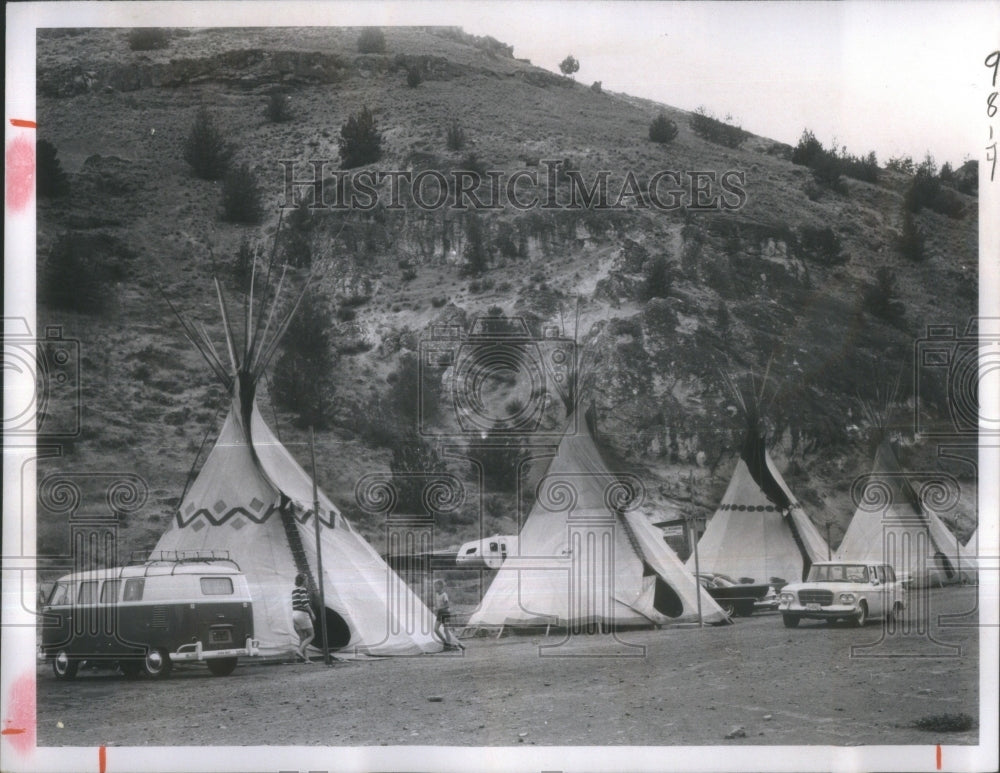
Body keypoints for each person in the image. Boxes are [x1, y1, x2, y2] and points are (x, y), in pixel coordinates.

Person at [433, 578, 464, 650]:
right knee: (436, 629)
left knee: (446, 630)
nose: (435, 588)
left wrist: (438, 608)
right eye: (434, 586)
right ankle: (446, 642)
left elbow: (447, 605)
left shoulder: (444, 595)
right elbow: (438, 604)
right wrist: (436, 608)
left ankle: (448, 645)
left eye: (436, 586)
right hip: (440, 613)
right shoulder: (436, 595)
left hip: (445, 613)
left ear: (440, 587)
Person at [291, 573, 315, 663]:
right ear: (304, 581)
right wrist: (312, 613)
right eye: (307, 580)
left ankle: (306, 659)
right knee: (311, 635)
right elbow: (305, 603)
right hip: (302, 614)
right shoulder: (303, 589)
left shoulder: (294, 591)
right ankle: (299, 650)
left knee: (302, 637)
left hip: (294, 614)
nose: (307, 582)